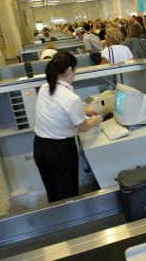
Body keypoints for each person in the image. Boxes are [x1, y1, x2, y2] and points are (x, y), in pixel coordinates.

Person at [33, 52, 102, 203]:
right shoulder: (71, 98)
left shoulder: (45, 88)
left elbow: (57, 108)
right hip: (60, 151)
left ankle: (59, 221)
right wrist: (96, 120)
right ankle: (72, 222)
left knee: (53, 192)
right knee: (67, 195)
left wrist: (84, 110)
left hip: (39, 148)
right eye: (75, 69)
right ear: (70, 69)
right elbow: (83, 127)